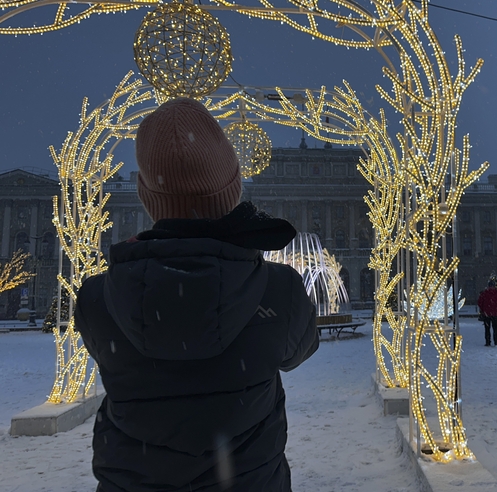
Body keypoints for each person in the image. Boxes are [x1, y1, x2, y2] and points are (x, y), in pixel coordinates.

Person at [74, 98, 319, 491]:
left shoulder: (96, 299)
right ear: (234, 187)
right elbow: (299, 351)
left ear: (146, 196)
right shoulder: (279, 290)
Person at [477, 280, 497, 346]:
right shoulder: (496, 294)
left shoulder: (485, 294)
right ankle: (491, 342)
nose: (491, 287)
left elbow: (480, 302)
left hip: (490, 314)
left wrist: (484, 310)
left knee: (492, 329)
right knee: (491, 329)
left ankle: (493, 342)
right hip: (490, 314)